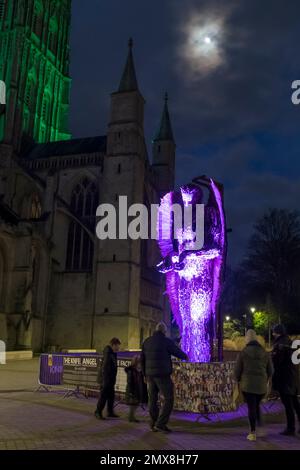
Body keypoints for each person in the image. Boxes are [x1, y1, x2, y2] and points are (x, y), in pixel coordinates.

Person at [141, 322, 188, 433]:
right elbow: (177, 352)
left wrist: (144, 374)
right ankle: (161, 424)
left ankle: (153, 423)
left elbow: (142, 359)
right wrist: (186, 356)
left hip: (150, 376)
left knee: (152, 400)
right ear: (164, 331)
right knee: (169, 398)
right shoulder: (166, 341)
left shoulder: (147, 342)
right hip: (162, 375)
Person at [235, 329, 273, 441]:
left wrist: (237, 380)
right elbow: (270, 370)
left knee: (251, 407)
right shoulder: (265, 353)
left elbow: (237, 370)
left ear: (247, 339)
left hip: (247, 385)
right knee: (256, 406)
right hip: (261, 386)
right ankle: (260, 427)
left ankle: (252, 432)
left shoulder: (243, 353)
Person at [272, 324, 300, 436]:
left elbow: (278, 362)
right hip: (293, 378)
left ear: (277, 332)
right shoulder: (290, 342)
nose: (273, 334)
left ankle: (290, 427)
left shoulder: (280, 344)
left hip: (285, 378)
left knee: (288, 404)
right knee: (295, 403)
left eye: (274, 332)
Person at [95, 337, 121, 420]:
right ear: (113, 345)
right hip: (106, 380)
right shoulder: (108, 352)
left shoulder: (112, 353)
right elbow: (105, 367)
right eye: (117, 346)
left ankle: (110, 412)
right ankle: (98, 412)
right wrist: (105, 381)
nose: (118, 348)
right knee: (103, 396)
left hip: (110, 379)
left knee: (111, 396)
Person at [125, 355, 148, 422]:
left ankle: (131, 416)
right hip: (133, 390)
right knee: (133, 404)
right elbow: (130, 382)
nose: (140, 365)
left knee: (135, 404)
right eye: (139, 363)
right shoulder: (131, 371)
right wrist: (131, 391)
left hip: (137, 390)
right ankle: (131, 417)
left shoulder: (139, 371)